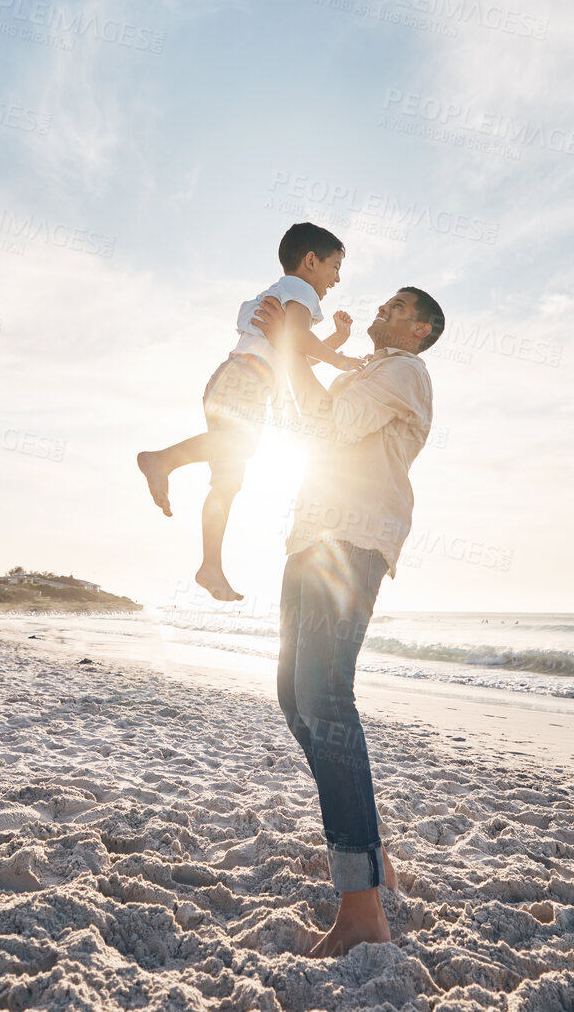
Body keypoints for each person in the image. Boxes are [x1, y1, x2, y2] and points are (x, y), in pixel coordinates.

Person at [250, 283, 444, 957]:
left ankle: (362, 907)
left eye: (397, 307)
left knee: (326, 701)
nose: (380, 310)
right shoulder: (368, 372)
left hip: (352, 541)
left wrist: (290, 349)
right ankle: (371, 855)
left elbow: (330, 421)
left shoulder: (403, 372)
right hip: (313, 537)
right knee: (295, 697)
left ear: (419, 330)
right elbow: (308, 420)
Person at [137, 223, 361, 602]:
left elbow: (293, 354)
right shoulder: (300, 289)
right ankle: (161, 459)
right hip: (246, 379)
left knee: (227, 480)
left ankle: (210, 565)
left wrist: (337, 339)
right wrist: (339, 356)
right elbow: (297, 343)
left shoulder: (286, 293)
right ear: (310, 261)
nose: (337, 278)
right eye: (335, 266)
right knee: (238, 445)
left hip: (233, 380)